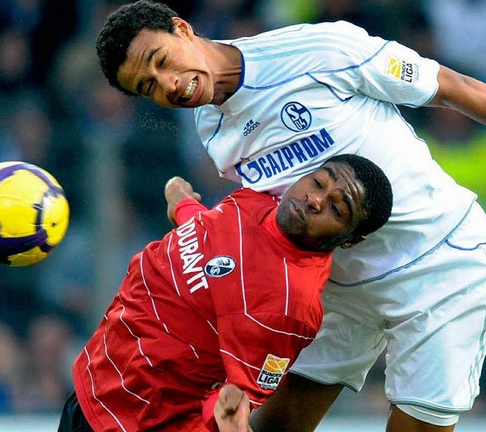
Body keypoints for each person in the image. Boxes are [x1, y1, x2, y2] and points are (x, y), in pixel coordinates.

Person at [95, 0, 486, 431]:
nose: (169, 85)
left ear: (182, 29)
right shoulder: (212, 129)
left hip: (442, 264)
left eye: (161, 62)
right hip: (332, 290)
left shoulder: (319, 50)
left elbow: (451, 87)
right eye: (148, 87)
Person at [57, 154, 393, 432]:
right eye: (318, 182)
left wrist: (225, 418)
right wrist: (183, 205)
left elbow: (237, 400)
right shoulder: (259, 199)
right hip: (96, 383)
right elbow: (214, 244)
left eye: (337, 209)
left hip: (129, 420)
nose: (315, 200)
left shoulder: (289, 307)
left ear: (349, 239)